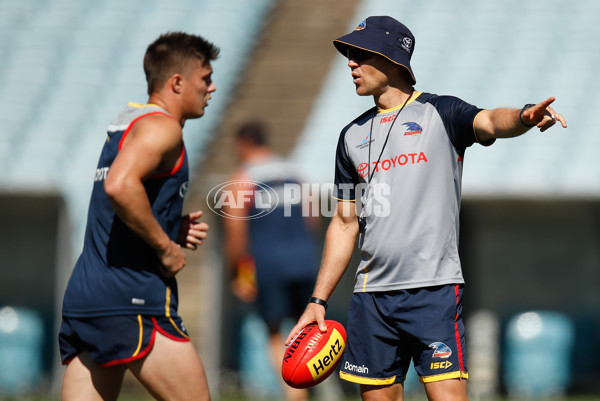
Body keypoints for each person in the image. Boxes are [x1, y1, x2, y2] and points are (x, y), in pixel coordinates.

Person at [285, 16, 567, 401]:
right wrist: (317, 301)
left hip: (432, 290)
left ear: (393, 59)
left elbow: (489, 121)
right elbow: (345, 223)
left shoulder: (441, 113)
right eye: (348, 54)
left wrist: (523, 117)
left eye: (359, 53)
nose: (350, 62)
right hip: (371, 297)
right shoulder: (350, 137)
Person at [59, 32, 218, 401]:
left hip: (87, 297)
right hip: (132, 297)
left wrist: (167, 225)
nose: (212, 88)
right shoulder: (163, 128)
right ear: (177, 83)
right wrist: (165, 246)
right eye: (205, 78)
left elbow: (121, 197)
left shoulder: (125, 126)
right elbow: (119, 185)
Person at [222, 121, 319, 401]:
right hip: (303, 261)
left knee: (275, 332)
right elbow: (312, 218)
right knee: (309, 328)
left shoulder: (243, 178)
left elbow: (236, 234)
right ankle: (312, 388)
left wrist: (237, 275)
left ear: (243, 144)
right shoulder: (295, 172)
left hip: (269, 265)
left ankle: (295, 394)